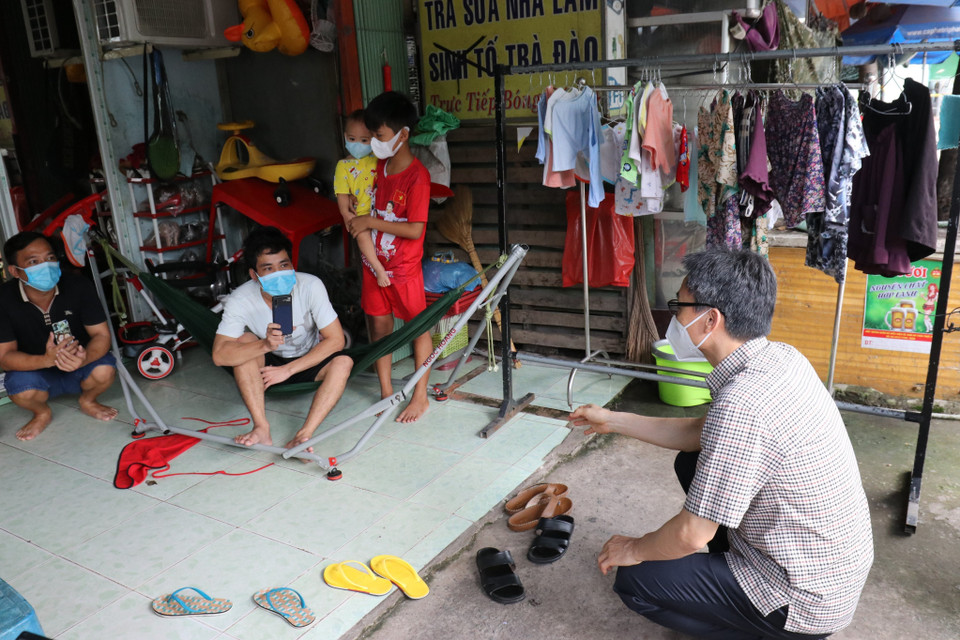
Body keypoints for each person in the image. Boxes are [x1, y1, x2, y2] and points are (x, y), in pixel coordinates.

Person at [571, 247, 874, 639]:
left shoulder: (744, 402)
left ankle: (755, 631)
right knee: (690, 462)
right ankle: (733, 588)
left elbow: (690, 534)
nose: (674, 317)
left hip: (801, 598)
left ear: (709, 320)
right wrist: (612, 420)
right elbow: (703, 432)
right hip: (830, 568)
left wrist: (635, 548)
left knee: (635, 580)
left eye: (680, 306)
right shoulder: (782, 358)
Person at [212, 227, 353, 449]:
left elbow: (336, 340)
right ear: (254, 275)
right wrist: (265, 344)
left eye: (284, 265)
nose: (279, 273)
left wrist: (288, 370)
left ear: (292, 264)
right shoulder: (240, 299)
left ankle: (304, 435)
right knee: (244, 342)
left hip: (308, 359)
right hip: (269, 361)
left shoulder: (310, 286)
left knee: (344, 362)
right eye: (268, 268)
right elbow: (220, 355)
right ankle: (261, 428)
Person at [346, 91, 432, 423]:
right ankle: (386, 393)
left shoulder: (417, 177)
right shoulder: (377, 169)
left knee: (417, 328)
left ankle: (420, 396)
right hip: (374, 266)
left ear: (402, 135)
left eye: (379, 136)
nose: (374, 143)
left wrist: (369, 222)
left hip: (404, 269)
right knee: (379, 328)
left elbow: (414, 230)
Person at [0, 231, 118, 441]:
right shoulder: (3, 300)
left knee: (105, 369)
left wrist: (83, 358)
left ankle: (88, 400)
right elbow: (5, 358)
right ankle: (42, 412)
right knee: (19, 389)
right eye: (34, 261)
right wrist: (46, 360)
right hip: (36, 373)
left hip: (80, 366)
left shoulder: (78, 286)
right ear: (14, 271)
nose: (45, 266)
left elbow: (101, 335)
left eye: (50, 258)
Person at [334, 109, 391, 287]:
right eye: (352, 139)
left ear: (373, 140)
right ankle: (378, 269)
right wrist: (346, 214)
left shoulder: (379, 159)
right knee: (362, 237)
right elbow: (342, 195)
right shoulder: (342, 166)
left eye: (364, 140)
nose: (357, 144)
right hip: (360, 215)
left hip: (382, 213)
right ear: (345, 136)